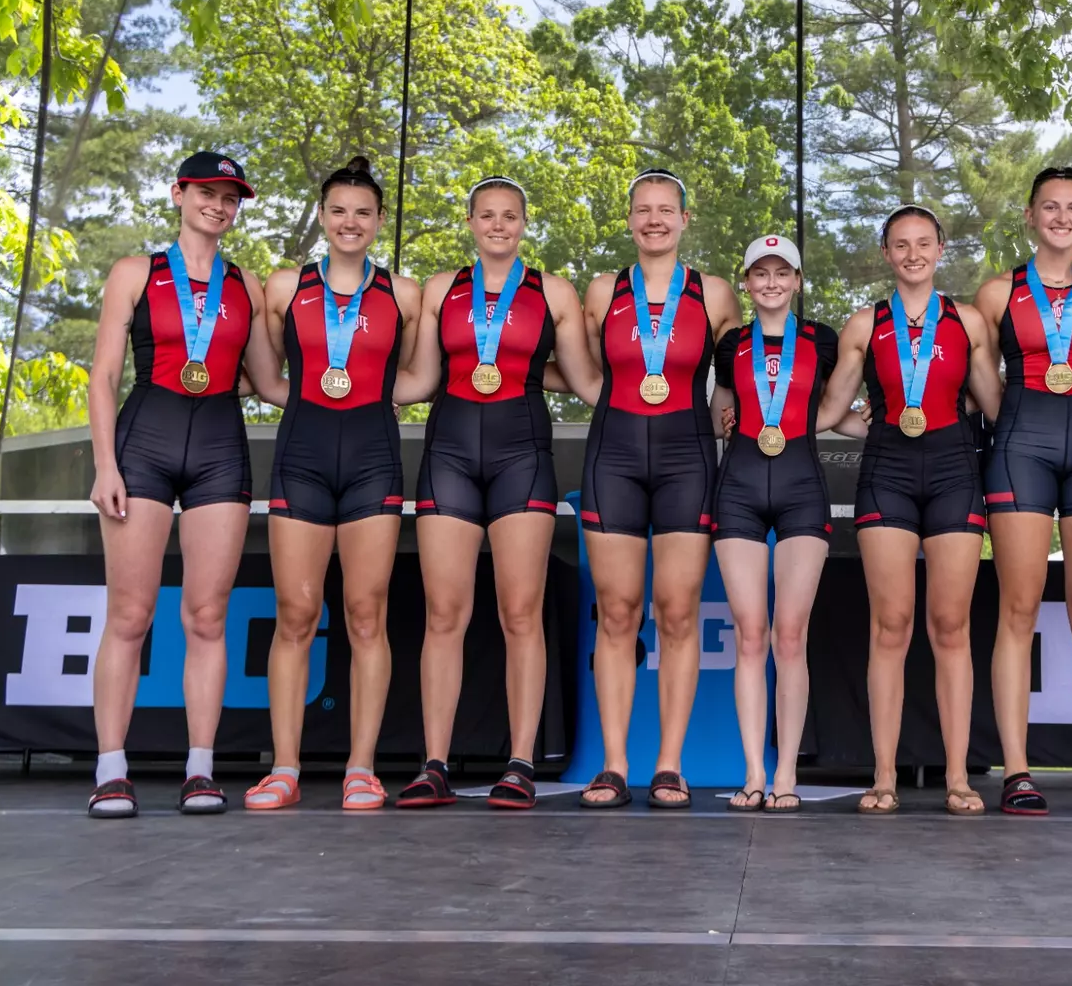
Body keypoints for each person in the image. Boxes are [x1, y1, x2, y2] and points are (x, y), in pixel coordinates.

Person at [85, 151, 285, 817]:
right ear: (179, 193)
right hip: (143, 445)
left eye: (231, 197)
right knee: (130, 614)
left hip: (220, 450)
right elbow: (104, 375)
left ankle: (201, 769)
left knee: (206, 615)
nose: (219, 206)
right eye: (207, 192)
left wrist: (360, 393)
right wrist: (105, 464)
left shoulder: (245, 286)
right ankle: (111, 768)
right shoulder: (134, 272)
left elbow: (269, 381)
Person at [391, 176, 599, 809]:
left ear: (524, 223)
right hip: (449, 454)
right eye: (488, 215)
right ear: (471, 222)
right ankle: (433, 763)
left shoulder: (552, 291)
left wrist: (693, 407)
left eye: (510, 216)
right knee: (444, 615)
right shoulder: (439, 290)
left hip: (522, 457)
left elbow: (589, 381)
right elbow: (420, 379)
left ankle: (520, 762)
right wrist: (330, 381)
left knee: (519, 614)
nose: (499, 225)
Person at [245, 156, 422, 812]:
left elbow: (410, 379)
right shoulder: (285, 286)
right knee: (296, 614)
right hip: (303, 456)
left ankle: (361, 768)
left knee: (365, 614)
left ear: (378, 222)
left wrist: (359, 397)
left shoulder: (404, 296)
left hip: (374, 458)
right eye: (339, 210)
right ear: (323, 216)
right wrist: (318, 400)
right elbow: (266, 379)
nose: (351, 221)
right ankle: (285, 767)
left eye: (363, 212)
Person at [816, 205, 1000, 816]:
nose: (913, 253)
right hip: (887, 475)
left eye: (924, 243)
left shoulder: (968, 320)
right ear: (887, 254)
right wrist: (761, 420)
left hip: (953, 473)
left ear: (940, 249)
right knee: (890, 627)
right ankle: (885, 777)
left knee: (951, 627)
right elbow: (830, 409)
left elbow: (996, 406)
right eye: (901, 244)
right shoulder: (864, 324)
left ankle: (958, 778)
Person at [576, 168, 741, 809]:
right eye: (642, 210)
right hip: (612, 454)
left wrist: (728, 411)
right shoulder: (600, 292)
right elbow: (579, 366)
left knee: (677, 612)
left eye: (664, 210)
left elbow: (733, 372)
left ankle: (669, 764)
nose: (653, 219)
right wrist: (614, 404)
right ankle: (615, 765)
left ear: (684, 219)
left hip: (686, 456)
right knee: (617, 613)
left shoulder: (717, 293)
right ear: (629, 220)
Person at [972, 166, 1072, 816]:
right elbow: (985, 386)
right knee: (1019, 609)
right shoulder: (995, 293)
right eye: (1049, 207)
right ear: (1031, 217)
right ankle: (1017, 770)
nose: (1061, 217)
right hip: (1021, 448)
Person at [710, 235, 849, 812]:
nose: (770, 283)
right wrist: (733, 418)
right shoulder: (730, 344)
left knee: (789, 636)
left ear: (796, 281)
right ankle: (751, 772)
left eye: (781, 273)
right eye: (759, 274)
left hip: (801, 489)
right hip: (738, 488)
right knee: (750, 635)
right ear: (746, 282)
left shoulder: (822, 339)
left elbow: (835, 407)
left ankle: (786, 774)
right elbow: (721, 413)